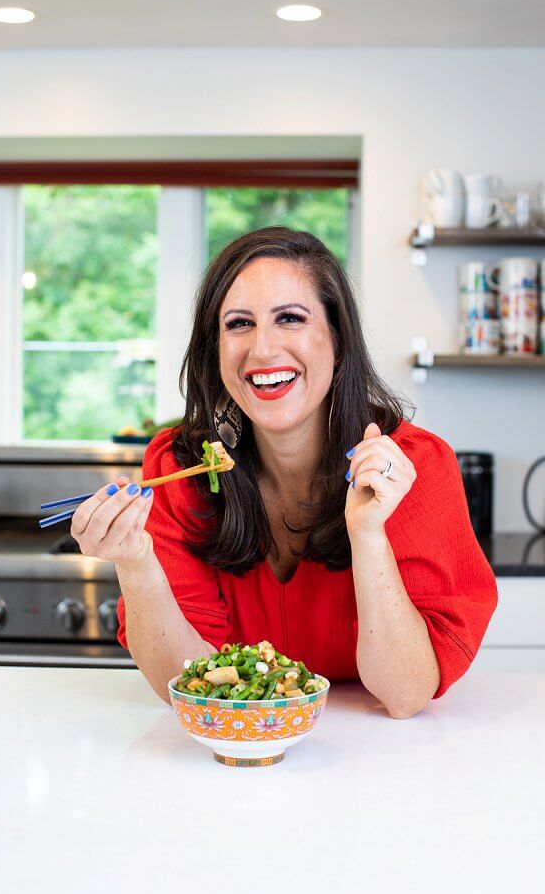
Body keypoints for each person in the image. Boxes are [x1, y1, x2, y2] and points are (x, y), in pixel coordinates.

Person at [71, 227, 497, 719]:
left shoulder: (414, 468)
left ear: (338, 339)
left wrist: (368, 534)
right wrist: (135, 562)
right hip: (240, 748)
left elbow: (404, 694)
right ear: (215, 349)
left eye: (290, 318)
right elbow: (186, 685)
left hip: (376, 753)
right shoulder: (180, 468)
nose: (264, 350)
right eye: (239, 324)